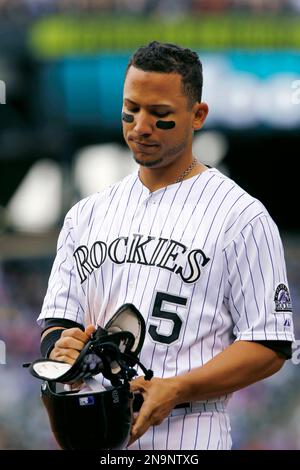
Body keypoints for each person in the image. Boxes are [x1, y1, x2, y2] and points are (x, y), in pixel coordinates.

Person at [37, 41, 294, 450]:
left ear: (198, 115)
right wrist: (62, 347)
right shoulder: (84, 215)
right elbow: (58, 324)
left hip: (192, 430)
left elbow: (270, 344)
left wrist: (178, 387)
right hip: (99, 427)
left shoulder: (241, 216)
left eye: (160, 115)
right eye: (131, 109)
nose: (141, 126)